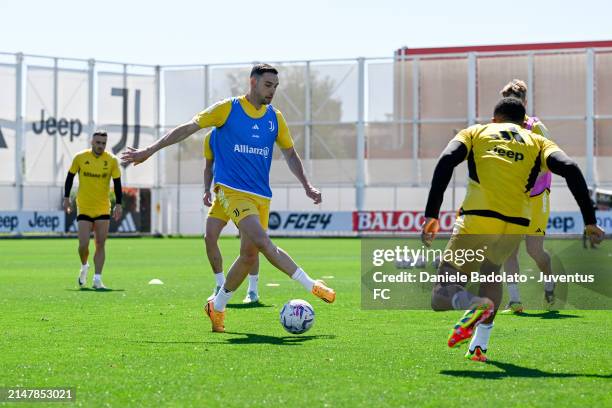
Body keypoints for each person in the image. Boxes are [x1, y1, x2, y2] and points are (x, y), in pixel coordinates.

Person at [121, 64, 336, 332]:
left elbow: (290, 154)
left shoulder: (275, 118)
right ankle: (312, 285)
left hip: (261, 196)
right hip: (231, 192)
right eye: (268, 85)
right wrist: (150, 150)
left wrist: (307, 185)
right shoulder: (227, 109)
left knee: (248, 256)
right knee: (264, 243)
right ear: (253, 82)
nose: (272, 91)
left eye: (275, 87)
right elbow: (188, 128)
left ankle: (217, 305)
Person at [421, 97, 604, 362]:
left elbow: (447, 159)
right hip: (516, 224)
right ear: (523, 121)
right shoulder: (537, 141)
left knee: (441, 295)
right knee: (491, 274)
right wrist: (589, 220)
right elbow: (570, 168)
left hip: (477, 219)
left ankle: (473, 305)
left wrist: (432, 214)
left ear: (495, 118)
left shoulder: (476, 131)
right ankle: (478, 346)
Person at [499, 79, 555, 313]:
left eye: (516, 100)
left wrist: (527, 175)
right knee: (508, 249)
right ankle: (514, 301)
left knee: (534, 251)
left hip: (536, 196)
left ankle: (550, 283)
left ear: (524, 102)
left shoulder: (536, 127)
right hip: (512, 198)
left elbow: (550, 160)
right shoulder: (500, 129)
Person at [202, 129, 261, 304]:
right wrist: (206, 189)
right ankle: (220, 285)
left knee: (250, 241)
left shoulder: (240, 132)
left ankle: (253, 290)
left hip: (242, 195)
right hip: (221, 196)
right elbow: (208, 166)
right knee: (209, 236)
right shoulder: (210, 137)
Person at [63, 130, 123, 290]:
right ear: (92, 142)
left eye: (103, 143)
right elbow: (70, 177)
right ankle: (84, 266)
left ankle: (97, 279)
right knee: (83, 245)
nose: (100, 146)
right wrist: (66, 198)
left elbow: (117, 183)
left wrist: (119, 203)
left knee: (100, 243)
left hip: (103, 207)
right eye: (98, 143)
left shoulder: (111, 160)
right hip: (84, 206)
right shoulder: (80, 157)